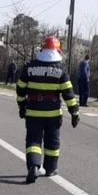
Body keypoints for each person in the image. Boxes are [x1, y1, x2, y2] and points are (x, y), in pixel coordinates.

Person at [16, 36, 80, 184]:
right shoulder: (61, 69)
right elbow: (68, 94)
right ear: (57, 50)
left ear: (42, 49)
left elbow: (20, 88)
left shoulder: (30, 67)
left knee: (33, 141)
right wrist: (74, 112)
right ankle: (50, 168)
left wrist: (22, 105)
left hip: (33, 113)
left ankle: (33, 166)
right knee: (52, 142)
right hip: (53, 115)